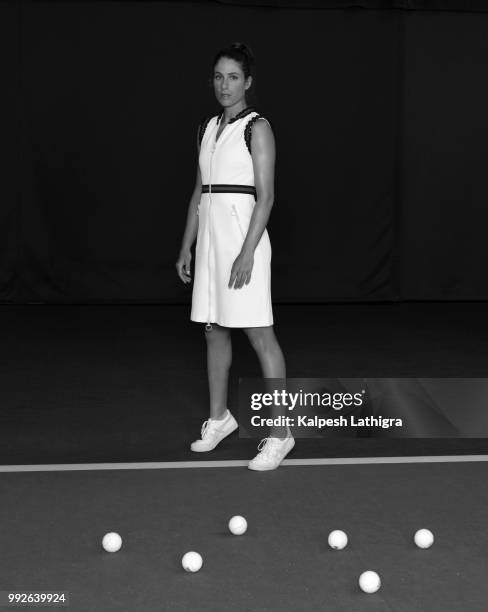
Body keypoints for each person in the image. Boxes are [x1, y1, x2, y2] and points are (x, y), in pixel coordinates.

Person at [176, 42, 294, 471]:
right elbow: (199, 193)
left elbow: (267, 197)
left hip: (242, 243)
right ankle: (219, 418)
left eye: (233, 77)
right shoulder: (207, 127)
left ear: (247, 82)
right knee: (213, 330)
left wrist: (247, 252)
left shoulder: (256, 127)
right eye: (218, 77)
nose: (224, 85)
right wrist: (187, 244)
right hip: (210, 243)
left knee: (260, 336)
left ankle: (281, 433)